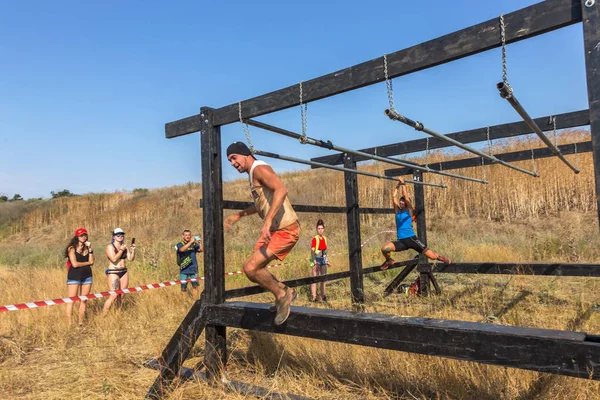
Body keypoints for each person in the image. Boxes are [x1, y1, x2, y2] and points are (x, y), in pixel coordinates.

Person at [224, 142, 300, 326]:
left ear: (245, 154)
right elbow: (261, 205)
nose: (233, 163)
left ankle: (282, 294)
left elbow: (281, 189)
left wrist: (267, 222)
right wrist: (238, 215)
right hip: (276, 230)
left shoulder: (259, 168)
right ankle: (283, 291)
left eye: (234, 158)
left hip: (285, 229)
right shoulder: (253, 174)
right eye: (229, 161)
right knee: (254, 268)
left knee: (250, 267)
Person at [381, 177, 451, 270]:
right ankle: (389, 260)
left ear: (406, 203)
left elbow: (405, 195)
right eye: (400, 201)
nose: (401, 202)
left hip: (411, 239)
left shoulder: (409, 211)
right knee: (385, 249)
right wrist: (398, 185)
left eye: (403, 201)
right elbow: (393, 196)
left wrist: (403, 183)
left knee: (432, 257)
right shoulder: (398, 212)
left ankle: (440, 257)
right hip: (402, 241)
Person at [64, 227, 95, 326]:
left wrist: (90, 249)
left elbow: (92, 261)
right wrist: (87, 263)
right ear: (77, 237)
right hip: (74, 276)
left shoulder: (87, 248)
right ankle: (69, 323)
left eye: (85, 235)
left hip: (87, 276)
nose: (83, 237)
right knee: (71, 300)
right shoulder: (72, 248)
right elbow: (75, 264)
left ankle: (81, 322)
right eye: (81, 235)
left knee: (84, 300)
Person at [102, 228, 135, 314]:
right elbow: (113, 259)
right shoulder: (110, 247)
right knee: (113, 295)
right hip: (114, 272)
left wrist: (133, 250)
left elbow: (130, 259)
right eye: (118, 235)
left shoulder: (124, 246)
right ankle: (104, 315)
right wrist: (121, 250)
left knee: (122, 295)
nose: (120, 236)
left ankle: (118, 314)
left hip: (124, 272)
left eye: (122, 234)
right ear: (114, 237)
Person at [176, 230, 203, 297]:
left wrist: (200, 243)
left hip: (193, 269)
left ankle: (195, 300)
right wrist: (191, 241)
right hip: (184, 269)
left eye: (189, 235)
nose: (187, 236)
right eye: (186, 235)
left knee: (195, 286)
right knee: (183, 288)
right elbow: (181, 250)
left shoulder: (194, 244)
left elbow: (201, 250)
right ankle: (184, 301)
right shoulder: (179, 244)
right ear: (183, 236)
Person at [310, 219, 330, 302]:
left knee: (323, 278)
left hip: (323, 259)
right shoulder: (315, 239)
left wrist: (327, 260)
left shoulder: (325, 238)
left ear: (324, 229)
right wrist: (314, 261)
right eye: (318, 228)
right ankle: (314, 297)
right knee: (315, 279)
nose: (320, 230)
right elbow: (312, 251)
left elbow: (325, 251)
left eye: (321, 228)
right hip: (316, 259)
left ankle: (323, 296)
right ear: (316, 229)